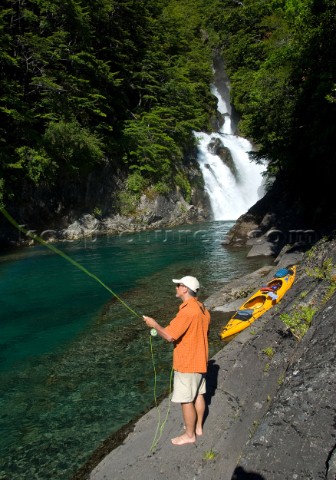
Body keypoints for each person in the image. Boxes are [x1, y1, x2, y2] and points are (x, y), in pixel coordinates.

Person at [143, 275, 210, 446]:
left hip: (187, 363)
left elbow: (170, 336)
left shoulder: (187, 311)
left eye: (178, 285)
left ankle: (189, 435)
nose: (176, 288)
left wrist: (154, 325)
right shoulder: (202, 309)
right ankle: (198, 428)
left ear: (185, 289)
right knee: (199, 394)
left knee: (186, 400)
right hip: (201, 361)